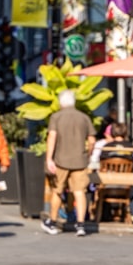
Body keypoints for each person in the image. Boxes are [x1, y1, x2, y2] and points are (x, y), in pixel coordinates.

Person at [42, 89, 96, 236]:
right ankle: (80, 225)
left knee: (57, 191)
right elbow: (92, 140)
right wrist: (88, 155)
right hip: (80, 160)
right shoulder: (84, 117)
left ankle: (52, 223)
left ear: (61, 102)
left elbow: (52, 137)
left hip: (61, 160)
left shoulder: (56, 117)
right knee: (80, 192)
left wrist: (49, 158)